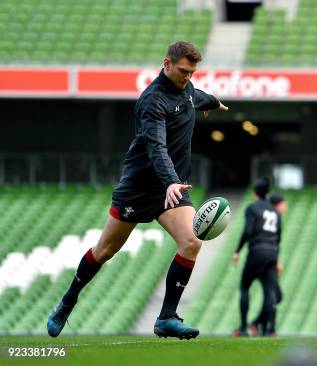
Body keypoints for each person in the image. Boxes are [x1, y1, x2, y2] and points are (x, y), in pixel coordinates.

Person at [47, 40, 229, 339]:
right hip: (141, 188)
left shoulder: (186, 88)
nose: (188, 77)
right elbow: (156, 146)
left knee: (192, 242)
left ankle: (166, 317)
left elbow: (196, 96)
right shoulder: (151, 101)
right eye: (183, 71)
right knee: (105, 250)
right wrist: (170, 180)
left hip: (173, 189)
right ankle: (68, 300)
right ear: (166, 63)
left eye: (192, 72)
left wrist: (213, 102)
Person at [232, 178, 282, 336]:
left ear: (254, 192)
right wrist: (277, 258)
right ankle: (271, 330)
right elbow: (279, 235)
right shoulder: (275, 211)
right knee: (270, 291)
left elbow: (248, 231)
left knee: (245, 287)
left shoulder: (252, 208)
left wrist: (238, 250)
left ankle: (243, 328)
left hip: (257, 251)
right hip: (272, 251)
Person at [248, 193, 286, 336]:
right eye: (284, 204)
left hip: (261, 259)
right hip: (265, 261)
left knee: (274, 295)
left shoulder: (267, 217)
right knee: (273, 294)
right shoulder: (271, 218)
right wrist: (275, 262)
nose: (285, 208)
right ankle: (269, 329)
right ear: (277, 205)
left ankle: (258, 325)